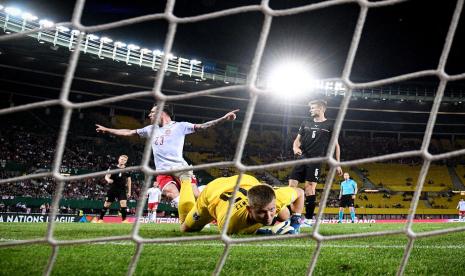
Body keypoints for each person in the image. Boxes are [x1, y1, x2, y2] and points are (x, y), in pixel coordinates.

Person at [95, 104, 238, 208]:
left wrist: (224, 119)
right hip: (162, 170)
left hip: (180, 168)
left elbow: (204, 126)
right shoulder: (150, 129)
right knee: (170, 193)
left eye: (152, 112)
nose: (149, 115)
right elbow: (129, 132)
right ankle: (189, 214)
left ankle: (213, 210)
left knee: (195, 196)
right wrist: (107, 129)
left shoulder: (180, 126)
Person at [178, 174, 305, 235]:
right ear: (249, 209)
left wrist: (295, 222)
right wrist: (270, 233)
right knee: (185, 228)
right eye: (261, 212)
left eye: (271, 210)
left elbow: (300, 192)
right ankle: (186, 179)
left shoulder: (278, 198)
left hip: (246, 181)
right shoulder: (230, 224)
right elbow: (247, 231)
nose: (268, 216)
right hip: (214, 192)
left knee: (284, 214)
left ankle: (274, 210)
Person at [288, 99, 343, 226]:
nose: (310, 110)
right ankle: (292, 217)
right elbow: (297, 140)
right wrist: (295, 148)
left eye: (313, 108)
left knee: (309, 188)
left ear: (322, 109)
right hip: (301, 159)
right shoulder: (305, 122)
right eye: (311, 108)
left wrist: (338, 163)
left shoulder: (330, 125)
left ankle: (308, 220)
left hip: (316, 161)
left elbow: (336, 145)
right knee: (291, 187)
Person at [94, 155, 132, 223]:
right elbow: (106, 176)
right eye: (121, 159)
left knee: (123, 203)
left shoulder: (127, 170)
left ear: (126, 161)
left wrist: (129, 191)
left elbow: (129, 181)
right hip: (113, 188)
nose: (122, 161)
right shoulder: (112, 168)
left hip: (122, 189)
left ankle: (124, 220)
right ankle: (100, 219)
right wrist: (108, 179)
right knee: (107, 204)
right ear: (118, 159)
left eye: (124, 160)